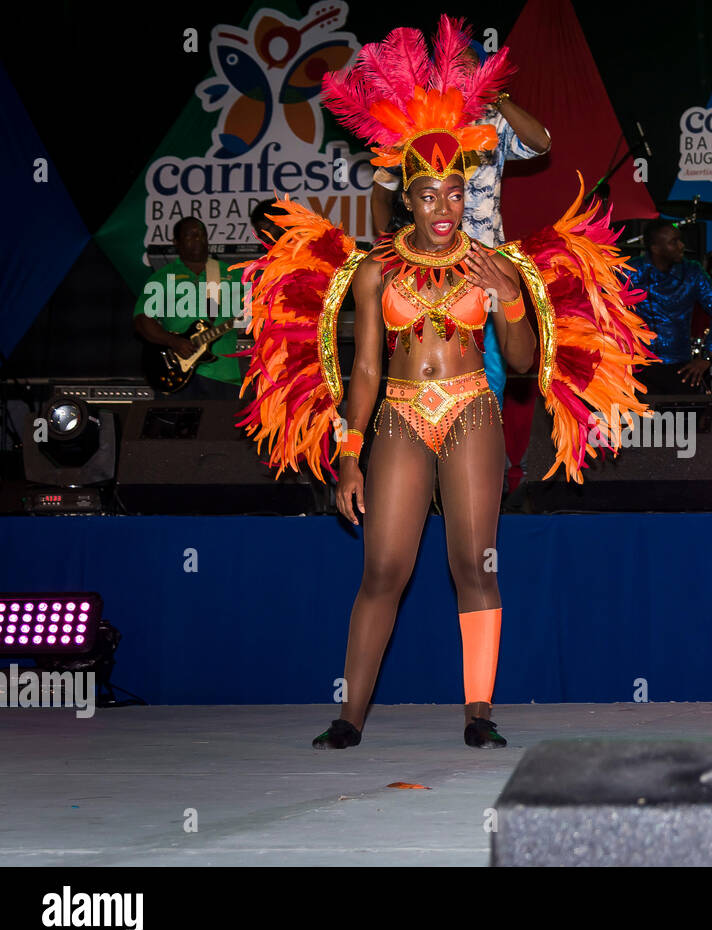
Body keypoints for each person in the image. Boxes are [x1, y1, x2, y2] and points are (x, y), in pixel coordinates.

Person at [236, 20, 653, 750]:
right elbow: (365, 369)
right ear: (406, 197)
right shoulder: (374, 270)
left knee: (474, 565)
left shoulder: (496, 267)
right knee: (384, 569)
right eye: (428, 195)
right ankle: (349, 717)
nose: (443, 209)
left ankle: (479, 714)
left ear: (468, 195)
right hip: (397, 417)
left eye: (455, 194)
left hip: (471, 411)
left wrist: (513, 300)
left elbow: (523, 365)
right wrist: (346, 453)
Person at [370, 42, 550, 412]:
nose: (465, 77)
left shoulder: (493, 120)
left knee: (493, 372)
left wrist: (497, 98)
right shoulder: (418, 124)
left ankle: (483, 453)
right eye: (457, 69)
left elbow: (542, 143)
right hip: (422, 264)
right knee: (426, 364)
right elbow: (381, 191)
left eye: (473, 69)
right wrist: (385, 247)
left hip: (483, 265)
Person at [132, 216, 245, 401]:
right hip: (174, 372)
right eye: (190, 235)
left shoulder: (232, 274)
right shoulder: (163, 277)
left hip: (223, 375)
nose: (197, 238)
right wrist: (172, 341)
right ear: (176, 242)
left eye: (201, 234)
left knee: (221, 429)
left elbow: (253, 315)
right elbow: (142, 321)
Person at [632, 219, 712, 393]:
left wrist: (707, 356)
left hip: (680, 367)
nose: (681, 246)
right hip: (638, 367)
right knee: (642, 419)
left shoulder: (692, 272)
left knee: (682, 418)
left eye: (680, 240)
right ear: (655, 248)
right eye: (673, 242)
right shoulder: (631, 270)